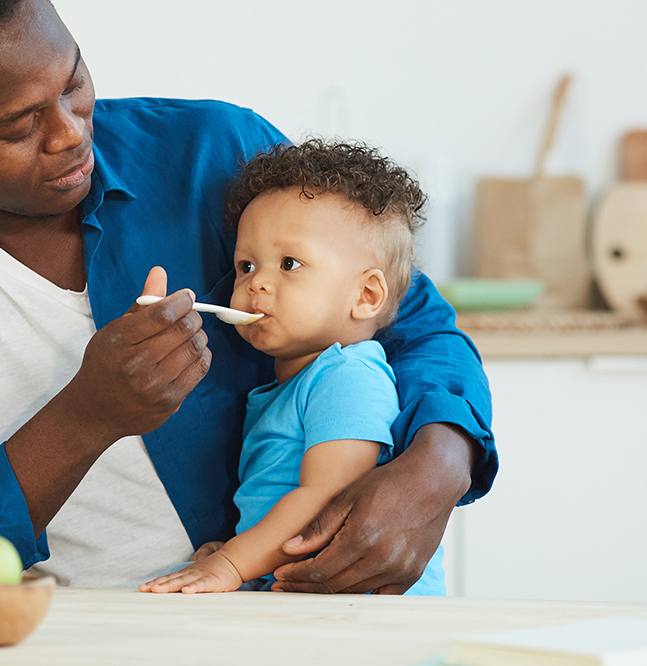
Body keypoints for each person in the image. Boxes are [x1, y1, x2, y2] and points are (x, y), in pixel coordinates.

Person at [0, 0, 497, 591]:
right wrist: (87, 418)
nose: (72, 134)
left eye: (73, 83)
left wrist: (437, 470)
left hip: (265, 621)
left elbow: (411, 320)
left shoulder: (215, 154)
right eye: (19, 126)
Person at [140, 140, 444, 595]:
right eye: (246, 265)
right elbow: (280, 496)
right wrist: (241, 549)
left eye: (289, 263)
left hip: (366, 615)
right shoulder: (295, 384)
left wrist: (232, 564)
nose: (256, 281)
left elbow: (326, 499)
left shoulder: (349, 377)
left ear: (367, 296)